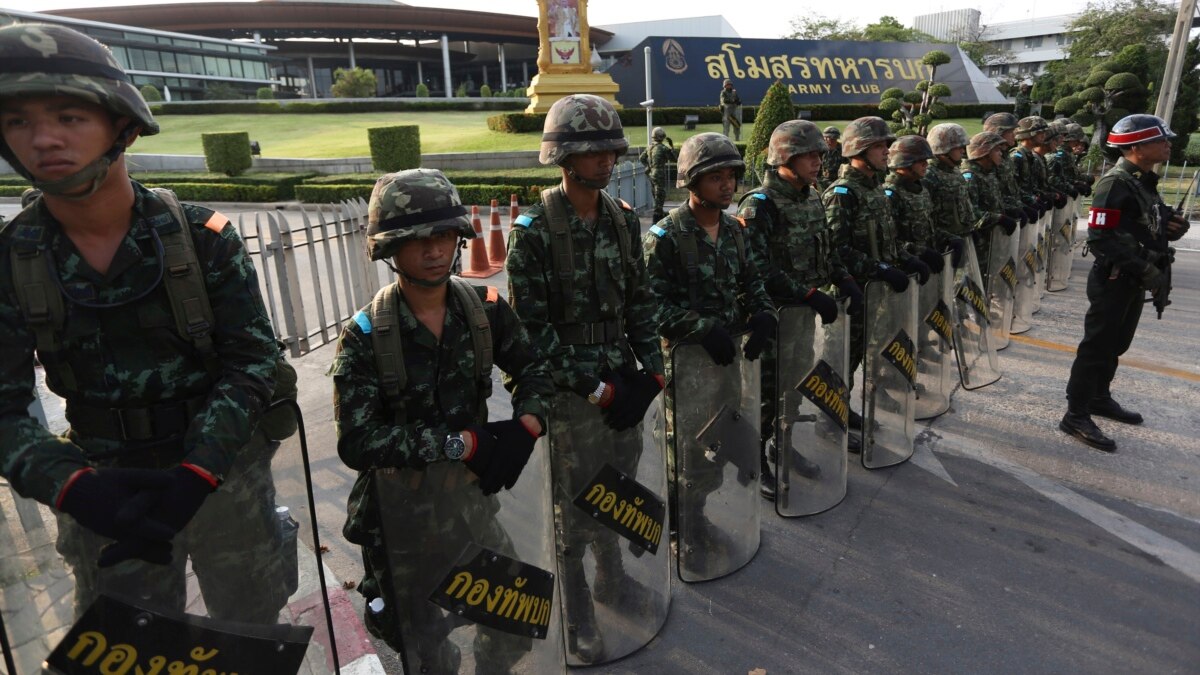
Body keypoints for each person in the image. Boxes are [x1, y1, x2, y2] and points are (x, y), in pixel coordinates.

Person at [0, 23, 293, 623]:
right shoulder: (11, 259)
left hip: (221, 478)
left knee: (251, 632)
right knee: (127, 647)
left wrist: (199, 468)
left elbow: (255, 360)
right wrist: (71, 486)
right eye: (17, 121)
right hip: (104, 484)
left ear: (122, 125)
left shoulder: (201, 239)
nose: (44, 140)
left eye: (69, 116)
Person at [333, 169, 553, 672]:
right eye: (417, 239)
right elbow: (358, 441)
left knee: (515, 611)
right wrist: (459, 444)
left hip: (468, 508)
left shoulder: (486, 310)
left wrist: (528, 423)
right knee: (423, 645)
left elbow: (536, 369)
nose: (434, 250)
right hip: (400, 518)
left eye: (444, 235)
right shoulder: (367, 334)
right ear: (389, 248)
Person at [505, 93, 667, 664]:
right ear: (564, 157)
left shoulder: (623, 220)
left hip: (620, 376)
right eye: (593, 150)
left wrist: (652, 374)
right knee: (572, 506)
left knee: (615, 488)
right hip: (573, 393)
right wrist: (594, 388)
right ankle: (576, 610)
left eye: (610, 149)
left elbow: (643, 304)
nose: (606, 159)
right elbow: (530, 332)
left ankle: (613, 581)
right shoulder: (535, 231)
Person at [643, 132, 775, 561]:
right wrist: (700, 327)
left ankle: (697, 518)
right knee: (682, 450)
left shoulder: (735, 232)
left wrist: (764, 314)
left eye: (731, 176)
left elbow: (753, 282)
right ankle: (682, 530)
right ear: (690, 181)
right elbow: (649, 307)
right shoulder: (665, 237)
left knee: (716, 445)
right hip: (686, 367)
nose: (726, 185)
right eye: (715, 177)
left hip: (726, 363)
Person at [739, 120, 862, 497]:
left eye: (818, 156)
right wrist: (807, 294)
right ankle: (754, 458)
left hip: (801, 320)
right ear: (784, 157)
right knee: (765, 393)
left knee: (793, 388)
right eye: (808, 155)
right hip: (773, 318)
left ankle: (783, 444)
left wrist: (841, 278)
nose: (817, 163)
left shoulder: (811, 196)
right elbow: (756, 269)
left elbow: (825, 248)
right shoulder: (760, 204)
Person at [1061, 115, 1188, 451]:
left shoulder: (1144, 181)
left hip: (1133, 278)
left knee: (1117, 344)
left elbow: (1141, 225)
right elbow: (1100, 237)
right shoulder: (1114, 184)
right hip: (1114, 277)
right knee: (1097, 346)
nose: (1168, 145)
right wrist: (1145, 270)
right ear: (1137, 147)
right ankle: (1075, 414)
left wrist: (1170, 227)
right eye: (1160, 141)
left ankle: (1100, 397)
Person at [823, 117, 929, 440]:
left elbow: (887, 240)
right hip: (851, 295)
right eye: (881, 146)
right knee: (840, 360)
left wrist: (907, 258)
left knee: (859, 356)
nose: (887, 151)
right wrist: (880, 270)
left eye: (886, 145)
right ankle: (828, 420)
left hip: (874, 293)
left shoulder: (875, 190)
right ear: (860, 149)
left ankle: (840, 411)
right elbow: (836, 249)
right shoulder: (842, 193)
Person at [961, 131, 1019, 279]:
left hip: (992, 242)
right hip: (978, 245)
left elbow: (997, 201)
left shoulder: (989, 174)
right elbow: (971, 213)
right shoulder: (970, 177)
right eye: (997, 150)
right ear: (984, 152)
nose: (1001, 153)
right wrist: (998, 219)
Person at [639, 126, 674, 222]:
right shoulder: (663, 148)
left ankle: (658, 214)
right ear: (661, 136)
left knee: (655, 194)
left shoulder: (650, 147)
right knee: (660, 194)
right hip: (659, 173)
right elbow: (674, 158)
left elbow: (641, 158)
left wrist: (648, 166)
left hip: (651, 173)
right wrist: (672, 147)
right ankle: (657, 217)